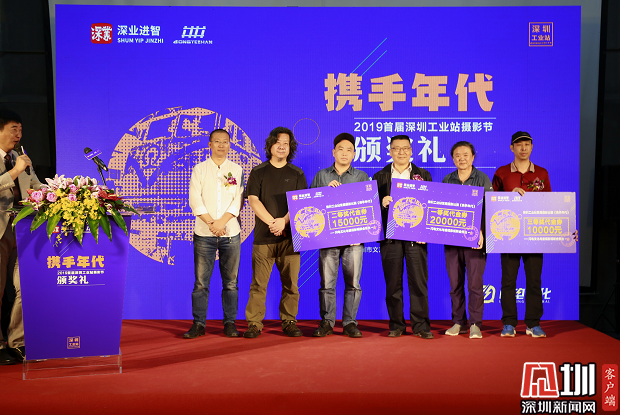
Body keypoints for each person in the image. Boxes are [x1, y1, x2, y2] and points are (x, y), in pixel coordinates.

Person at [244, 127, 307, 338]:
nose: (281, 146)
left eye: (286, 143)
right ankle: (254, 323)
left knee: (291, 284)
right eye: (277, 142)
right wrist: (273, 222)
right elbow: (253, 199)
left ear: (291, 147)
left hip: (290, 239)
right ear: (270, 145)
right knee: (258, 284)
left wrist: (284, 221)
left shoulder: (297, 173)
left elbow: (301, 203)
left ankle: (289, 321)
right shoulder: (258, 171)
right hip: (264, 238)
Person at [184, 129, 244, 339]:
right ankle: (199, 324)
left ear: (230, 145)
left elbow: (238, 199)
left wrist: (222, 223)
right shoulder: (199, 169)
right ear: (209, 144)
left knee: (231, 283)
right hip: (204, 233)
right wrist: (212, 223)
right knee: (201, 283)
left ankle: (230, 323)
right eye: (217, 141)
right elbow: (195, 199)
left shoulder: (236, 169)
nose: (221, 145)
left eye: (225, 142)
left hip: (230, 233)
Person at [373, 135, 433, 339]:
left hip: (416, 237)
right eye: (396, 148)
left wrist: (425, 231)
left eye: (405, 148)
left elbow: (430, 205)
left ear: (411, 151)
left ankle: (421, 325)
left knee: (418, 282)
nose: (401, 152)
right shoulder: (379, 176)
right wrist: (382, 204)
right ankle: (396, 325)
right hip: (390, 237)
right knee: (393, 283)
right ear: (390, 151)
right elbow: (371, 210)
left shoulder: (423, 174)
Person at [309, 133, 369, 338]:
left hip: (353, 240)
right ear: (333, 152)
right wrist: (325, 192)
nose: (344, 153)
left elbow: (367, 207)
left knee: (353, 283)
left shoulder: (361, 177)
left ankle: (350, 322)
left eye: (349, 150)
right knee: (327, 283)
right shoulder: (321, 176)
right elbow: (310, 205)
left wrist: (361, 233)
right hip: (328, 239)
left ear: (354, 154)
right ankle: (327, 321)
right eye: (340, 149)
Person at [492, 131, 551, 338]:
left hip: (534, 236)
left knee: (534, 281)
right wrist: (510, 196)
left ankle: (533, 324)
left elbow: (551, 204)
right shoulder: (501, 173)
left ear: (532, 147)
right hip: (509, 235)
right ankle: (509, 323)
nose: (523, 148)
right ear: (512, 148)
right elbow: (493, 203)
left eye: (527, 144)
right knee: (508, 281)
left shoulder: (542, 173)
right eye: (519, 145)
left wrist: (565, 227)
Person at [0, 109, 43, 364]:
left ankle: (17, 342)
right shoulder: (16, 164)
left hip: (23, 230)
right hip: (0, 231)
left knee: (25, 286)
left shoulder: (21, 158)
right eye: (13, 129)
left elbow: (36, 187)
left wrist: (64, 192)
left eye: (21, 129)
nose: (18, 134)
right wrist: (15, 171)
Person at [442, 141, 493, 339]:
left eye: (465, 155)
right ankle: (458, 322)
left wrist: (482, 232)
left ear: (473, 157)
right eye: (457, 155)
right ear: (452, 158)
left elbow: (490, 209)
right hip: (452, 240)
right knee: (455, 284)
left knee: (474, 284)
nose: (461, 158)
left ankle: (475, 324)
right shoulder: (448, 179)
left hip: (475, 240)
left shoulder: (482, 178)